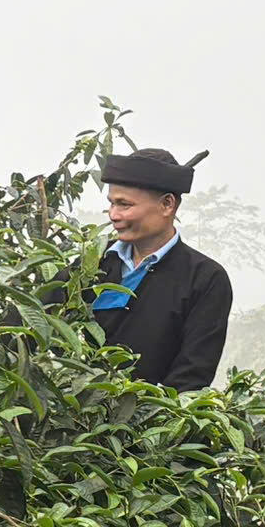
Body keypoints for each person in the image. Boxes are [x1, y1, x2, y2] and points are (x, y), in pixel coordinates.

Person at [91, 147, 233, 388]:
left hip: (147, 420)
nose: (113, 215)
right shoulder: (94, 261)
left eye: (124, 205)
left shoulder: (205, 279)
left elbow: (191, 376)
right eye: (111, 204)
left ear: (167, 204)